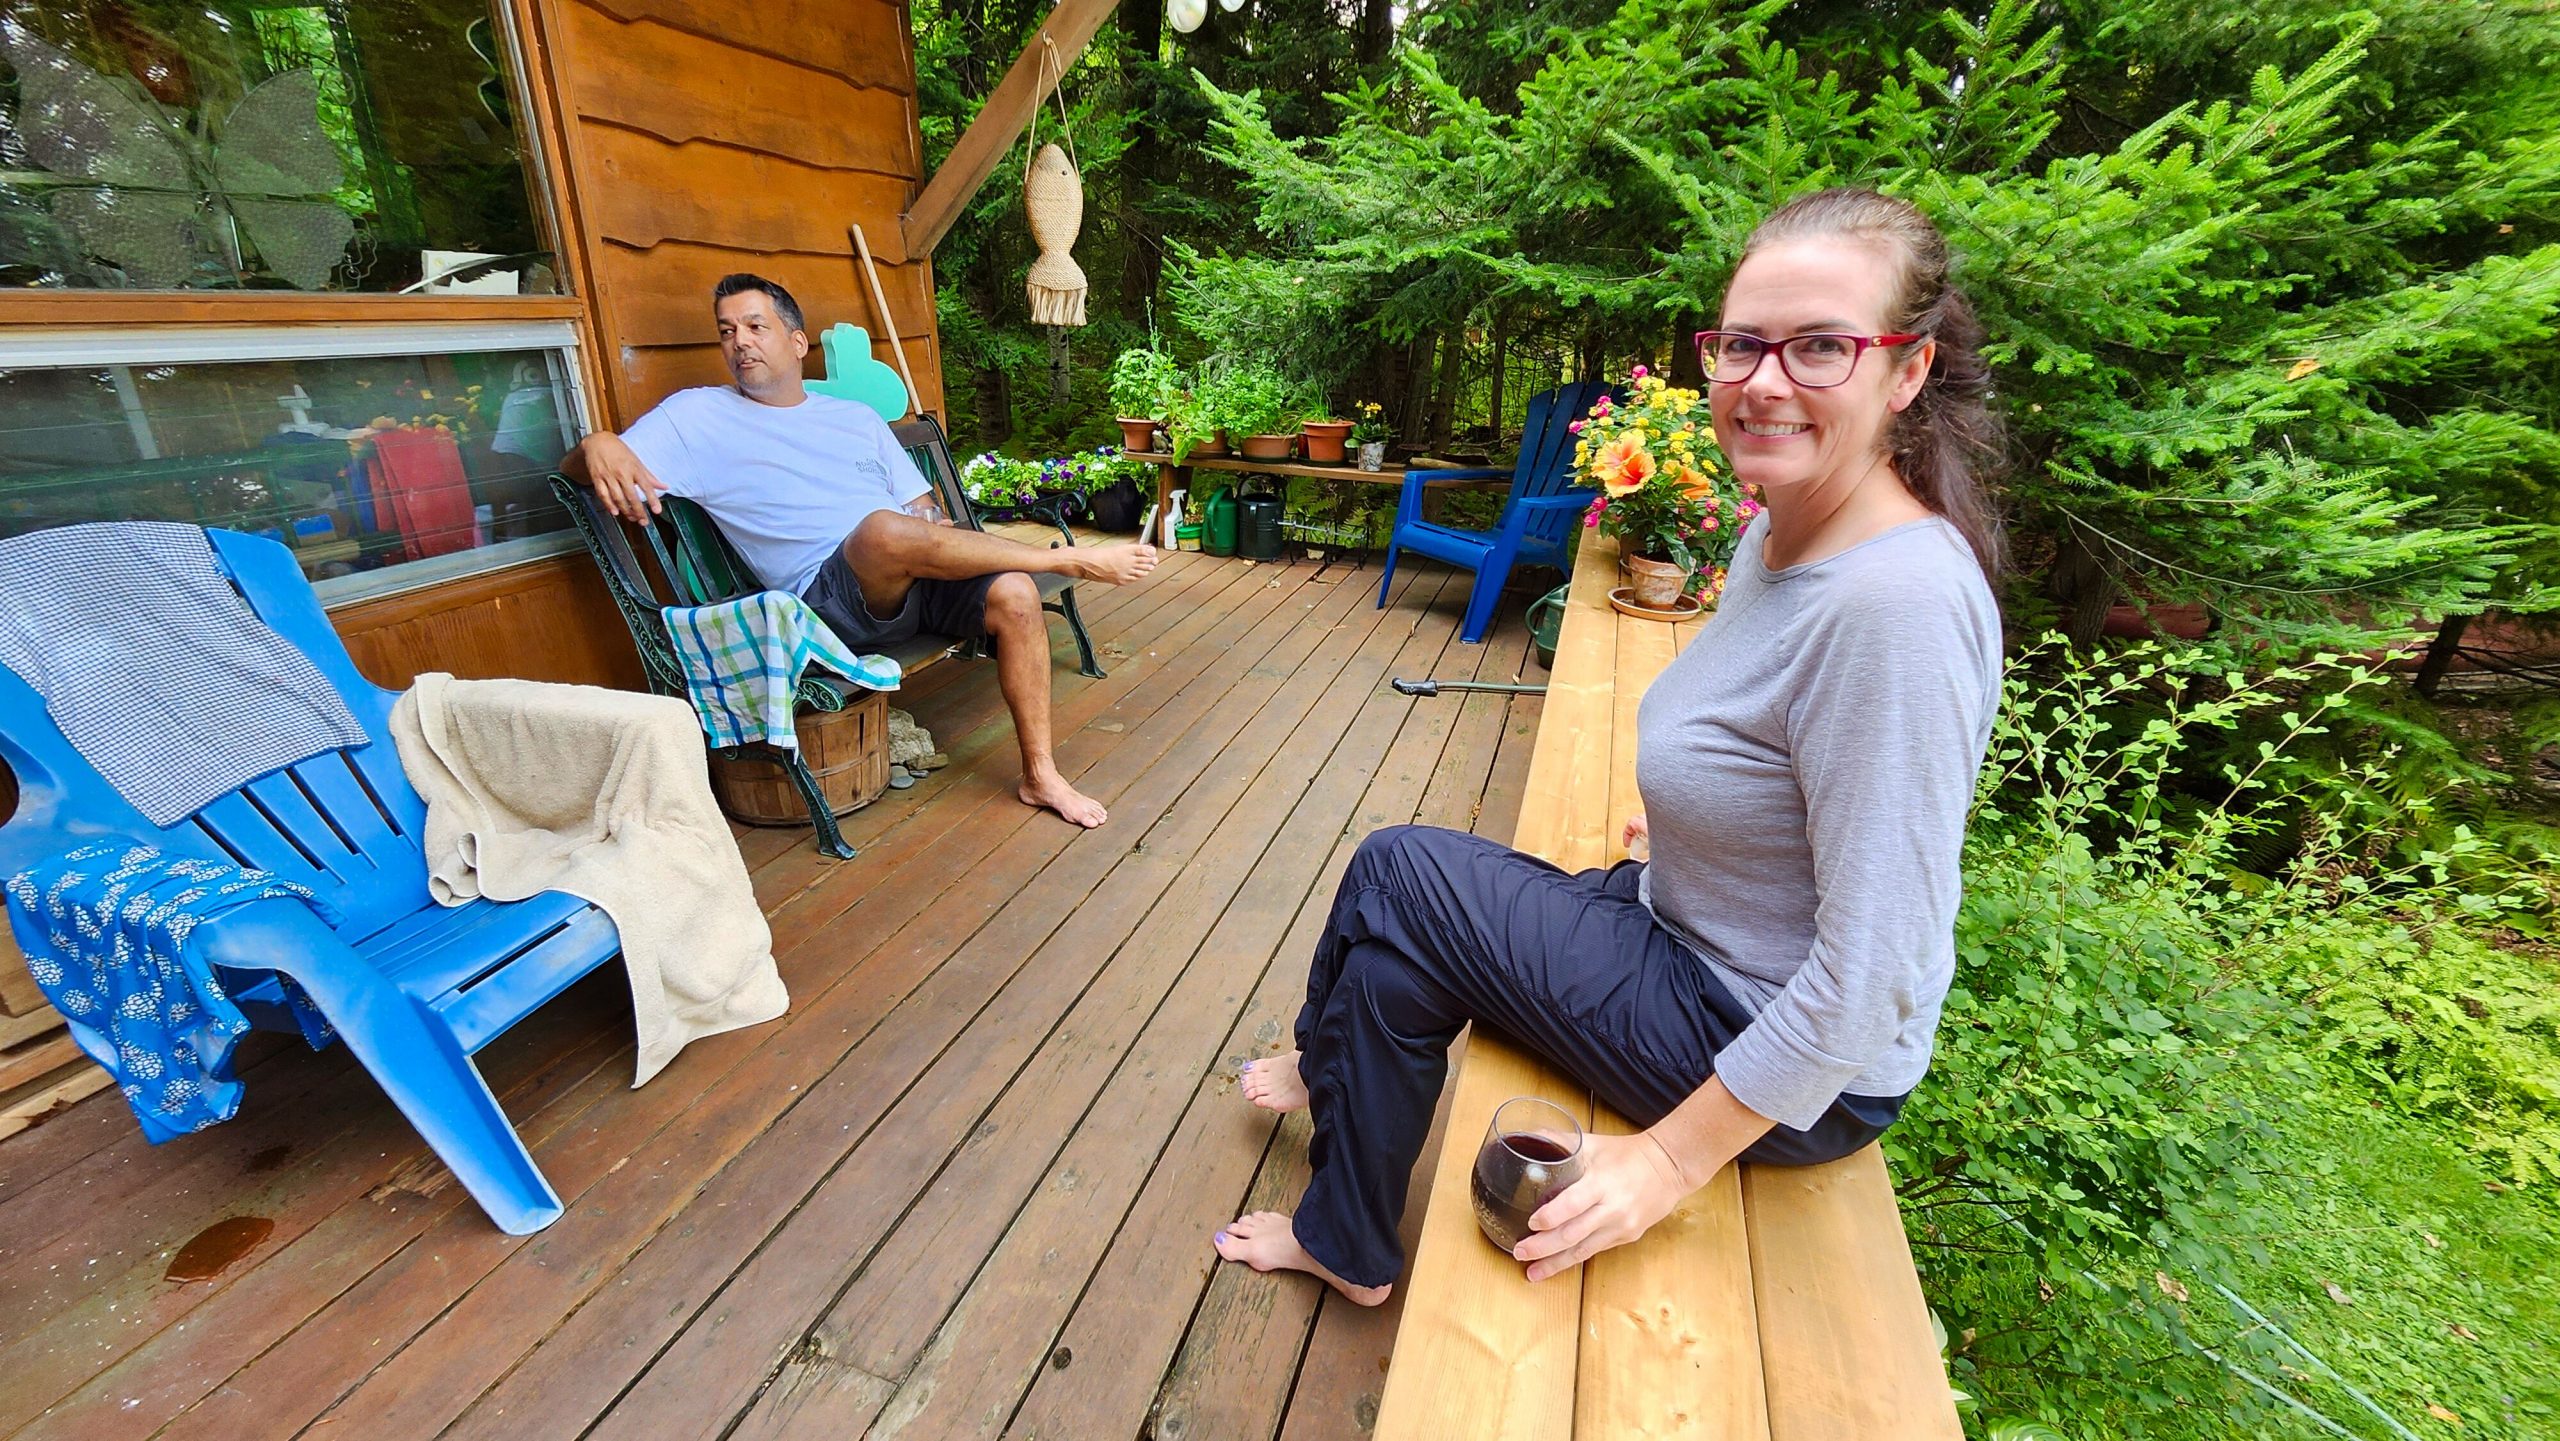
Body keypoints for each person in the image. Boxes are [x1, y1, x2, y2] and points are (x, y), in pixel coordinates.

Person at [1215, 187, 2007, 1305]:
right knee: (1393, 964)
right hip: (1686, 936)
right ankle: (1347, 1240)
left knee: (1396, 869)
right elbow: (1785, 768)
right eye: (1743, 344)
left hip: (1774, 1055)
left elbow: (1874, 978)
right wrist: (1702, 831)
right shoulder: (1783, 531)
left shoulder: (1896, 607)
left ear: (1907, 371)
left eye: (1822, 346)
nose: (1764, 380)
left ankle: (1320, 1056)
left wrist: (1667, 1162)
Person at [564, 274, 1158, 829]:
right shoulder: (696, 416)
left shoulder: (854, 418)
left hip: (909, 578)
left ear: (797, 342)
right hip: (827, 604)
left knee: (1016, 594)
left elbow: (921, 504)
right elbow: (577, 473)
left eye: (755, 326)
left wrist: (930, 526)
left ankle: (1040, 775)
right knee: (881, 532)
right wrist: (596, 443)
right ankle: (1064, 560)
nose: (739, 342)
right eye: (727, 331)